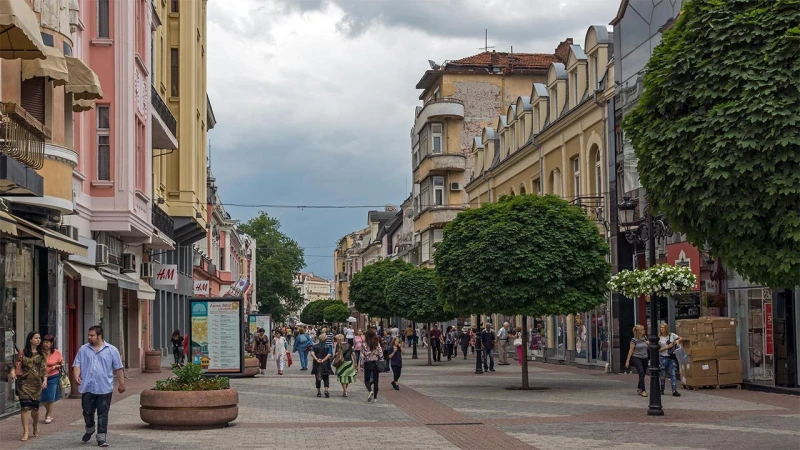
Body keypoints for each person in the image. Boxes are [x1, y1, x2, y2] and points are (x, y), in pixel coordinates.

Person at [73, 326, 125, 447]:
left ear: (99, 336)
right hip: (88, 387)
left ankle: (101, 438)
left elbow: (118, 367)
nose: (89, 337)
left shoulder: (112, 350)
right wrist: (76, 375)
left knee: (103, 414)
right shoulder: (83, 349)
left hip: (104, 388)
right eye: (89, 335)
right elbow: (77, 364)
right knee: (87, 411)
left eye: (91, 335)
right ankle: (90, 428)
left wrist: (122, 383)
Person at [9, 331, 47, 441]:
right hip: (23, 383)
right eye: (36, 338)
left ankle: (35, 425)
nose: (38, 340)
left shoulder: (42, 354)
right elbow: (14, 364)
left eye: (39, 338)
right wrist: (12, 371)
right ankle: (25, 431)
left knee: (35, 409)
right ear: (30, 339)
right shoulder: (22, 352)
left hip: (36, 384)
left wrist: (44, 380)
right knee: (25, 407)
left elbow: (44, 369)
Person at [40, 334, 64, 425]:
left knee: (50, 397)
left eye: (47, 342)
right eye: (44, 342)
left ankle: (48, 415)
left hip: (53, 376)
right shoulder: (40, 352)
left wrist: (56, 366)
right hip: (41, 376)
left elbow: (62, 363)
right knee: (42, 398)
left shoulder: (56, 352)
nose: (45, 344)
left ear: (51, 343)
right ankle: (48, 411)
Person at [658, 322, 682, 397]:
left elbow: (680, 338)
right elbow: (659, 349)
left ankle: (674, 390)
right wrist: (667, 347)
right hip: (663, 357)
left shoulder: (671, 335)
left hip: (671, 357)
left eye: (664, 327)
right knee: (663, 374)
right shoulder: (659, 337)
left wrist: (677, 341)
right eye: (661, 327)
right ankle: (662, 389)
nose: (662, 329)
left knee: (673, 373)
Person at [625, 324, 649, 397]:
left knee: (643, 373)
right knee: (641, 372)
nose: (644, 330)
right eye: (642, 330)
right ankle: (643, 390)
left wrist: (649, 344)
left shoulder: (645, 338)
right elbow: (631, 350)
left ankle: (639, 387)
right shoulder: (634, 340)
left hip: (645, 357)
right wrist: (627, 361)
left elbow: (649, 347)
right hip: (637, 357)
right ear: (638, 332)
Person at [359, 329, 383, 403]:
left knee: (366, 380)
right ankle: (375, 398)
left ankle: (370, 391)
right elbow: (381, 354)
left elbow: (362, 356)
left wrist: (361, 365)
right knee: (376, 381)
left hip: (367, 363)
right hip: (375, 363)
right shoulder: (377, 344)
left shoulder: (364, 344)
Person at [311, 333, 333, 398]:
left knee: (318, 377)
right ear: (326, 340)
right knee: (326, 377)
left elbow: (312, 353)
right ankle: (326, 390)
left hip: (317, 363)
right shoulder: (328, 346)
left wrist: (317, 359)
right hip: (325, 363)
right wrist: (323, 360)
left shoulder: (314, 346)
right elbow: (329, 354)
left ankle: (318, 392)